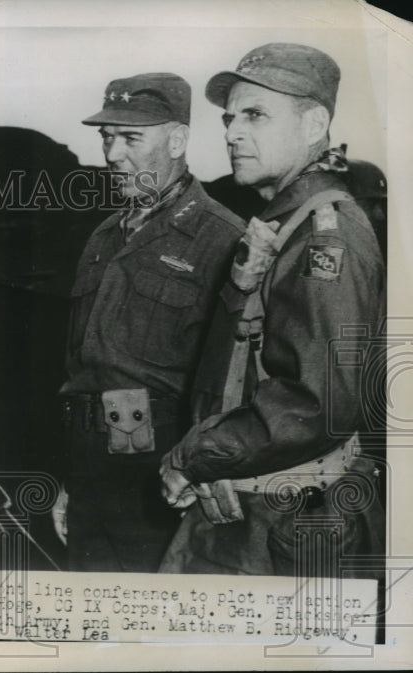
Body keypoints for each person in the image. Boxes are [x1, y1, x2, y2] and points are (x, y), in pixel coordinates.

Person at [159, 43, 385, 575]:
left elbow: (318, 402)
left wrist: (192, 457)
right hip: (249, 509)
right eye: (230, 118)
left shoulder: (325, 238)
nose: (233, 132)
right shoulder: (286, 225)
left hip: (282, 524)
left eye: (256, 115)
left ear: (314, 125)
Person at [50, 73, 244, 572]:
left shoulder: (222, 239)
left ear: (177, 140)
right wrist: (73, 481)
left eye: (131, 138)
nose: (113, 155)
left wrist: (201, 475)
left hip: (165, 480)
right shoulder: (102, 237)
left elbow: (232, 384)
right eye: (107, 137)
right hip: (91, 472)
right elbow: (83, 374)